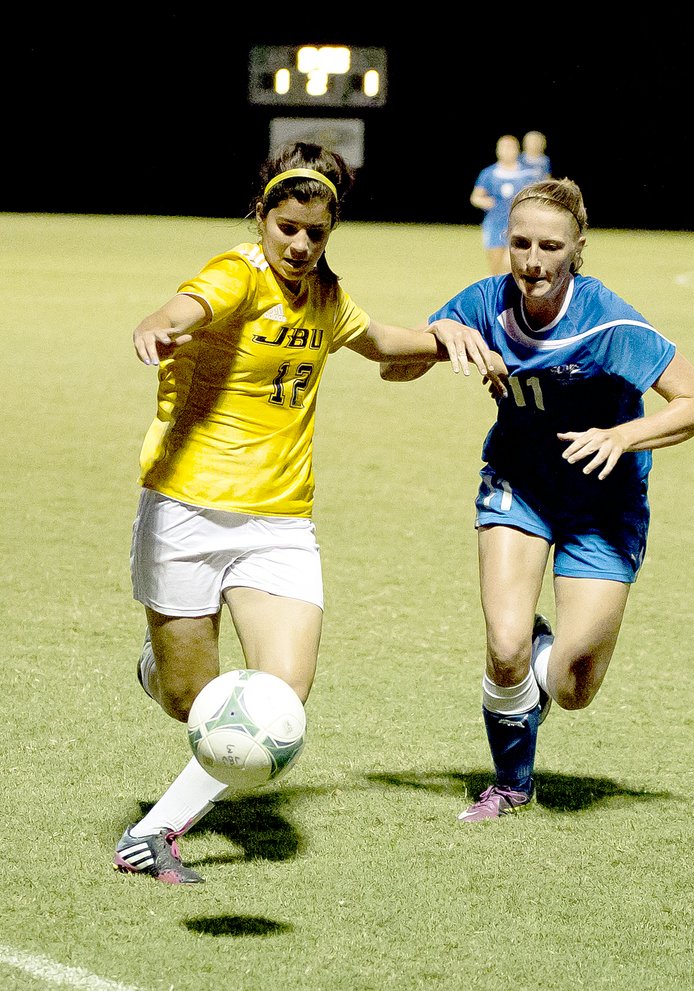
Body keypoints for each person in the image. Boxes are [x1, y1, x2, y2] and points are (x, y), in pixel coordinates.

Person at [113, 141, 503, 883]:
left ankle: (152, 833)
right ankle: (160, 671)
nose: (298, 244)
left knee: (278, 698)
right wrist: (160, 321)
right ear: (262, 217)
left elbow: (383, 342)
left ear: (331, 230)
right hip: (187, 511)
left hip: (279, 521)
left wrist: (448, 332)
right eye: (286, 226)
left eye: (314, 232)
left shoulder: (325, 297)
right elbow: (191, 303)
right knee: (191, 702)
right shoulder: (235, 273)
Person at [380, 178, 694, 822]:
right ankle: (511, 782)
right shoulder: (484, 301)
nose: (533, 261)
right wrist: (442, 337)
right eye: (521, 244)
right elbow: (392, 368)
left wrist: (622, 435)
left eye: (550, 247)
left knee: (571, 687)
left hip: (604, 505)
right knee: (501, 645)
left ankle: (544, 657)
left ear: (577, 249)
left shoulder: (609, 321)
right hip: (519, 482)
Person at [470, 134, 537, 276]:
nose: (507, 151)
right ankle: (497, 295)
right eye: (503, 148)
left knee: (510, 263)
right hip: (494, 225)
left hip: (519, 225)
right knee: (495, 268)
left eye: (510, 147)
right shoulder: (489, 173)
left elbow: (536, 197)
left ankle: (513, 294)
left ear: (517, 150)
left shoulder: (527, 174)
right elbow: (475, 197)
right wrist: (484, 201)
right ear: (497, 150)